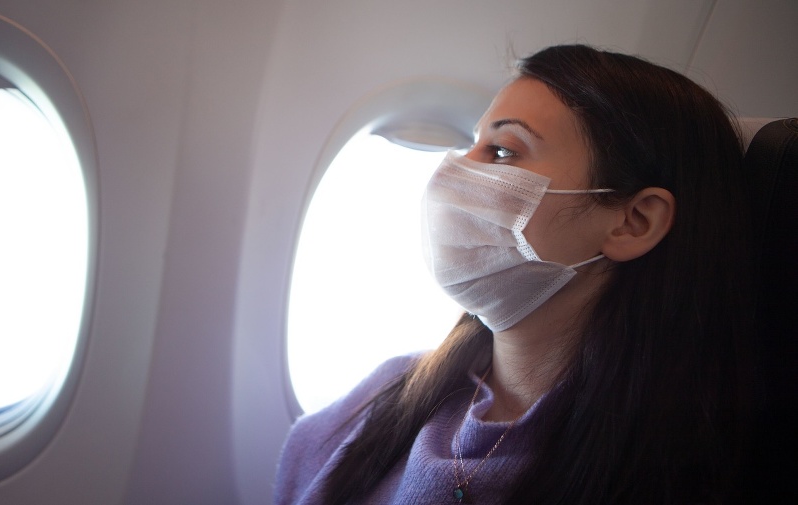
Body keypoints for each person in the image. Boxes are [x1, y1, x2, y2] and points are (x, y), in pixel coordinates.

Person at [275, 44, 756, 505]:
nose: (452, 172)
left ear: (634, 222)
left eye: (503, 151)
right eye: (472, 144)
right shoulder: (393, 389)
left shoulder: (677, 470)